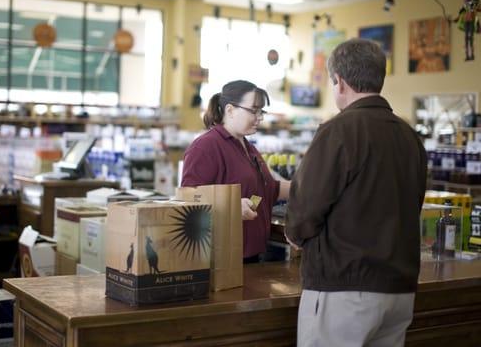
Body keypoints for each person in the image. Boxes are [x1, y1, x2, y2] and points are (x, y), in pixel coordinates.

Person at [285, 38, 427, 347]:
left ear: (339, 82)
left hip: (345, 288)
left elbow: (305, 207)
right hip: (399, 288)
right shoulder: (409, 136)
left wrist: (294, 234)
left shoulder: (338, 130)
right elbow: (414, 204)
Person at [181, 80, 291, 263]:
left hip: (252, 255)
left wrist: (310, 187)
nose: (260, 117)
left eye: (261, 111)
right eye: (254, 110)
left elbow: (269, 189)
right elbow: (187, 199)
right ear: (230, 110)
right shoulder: (206, 146)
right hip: (223, 259)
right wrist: (230, 207)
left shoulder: (247, 146)